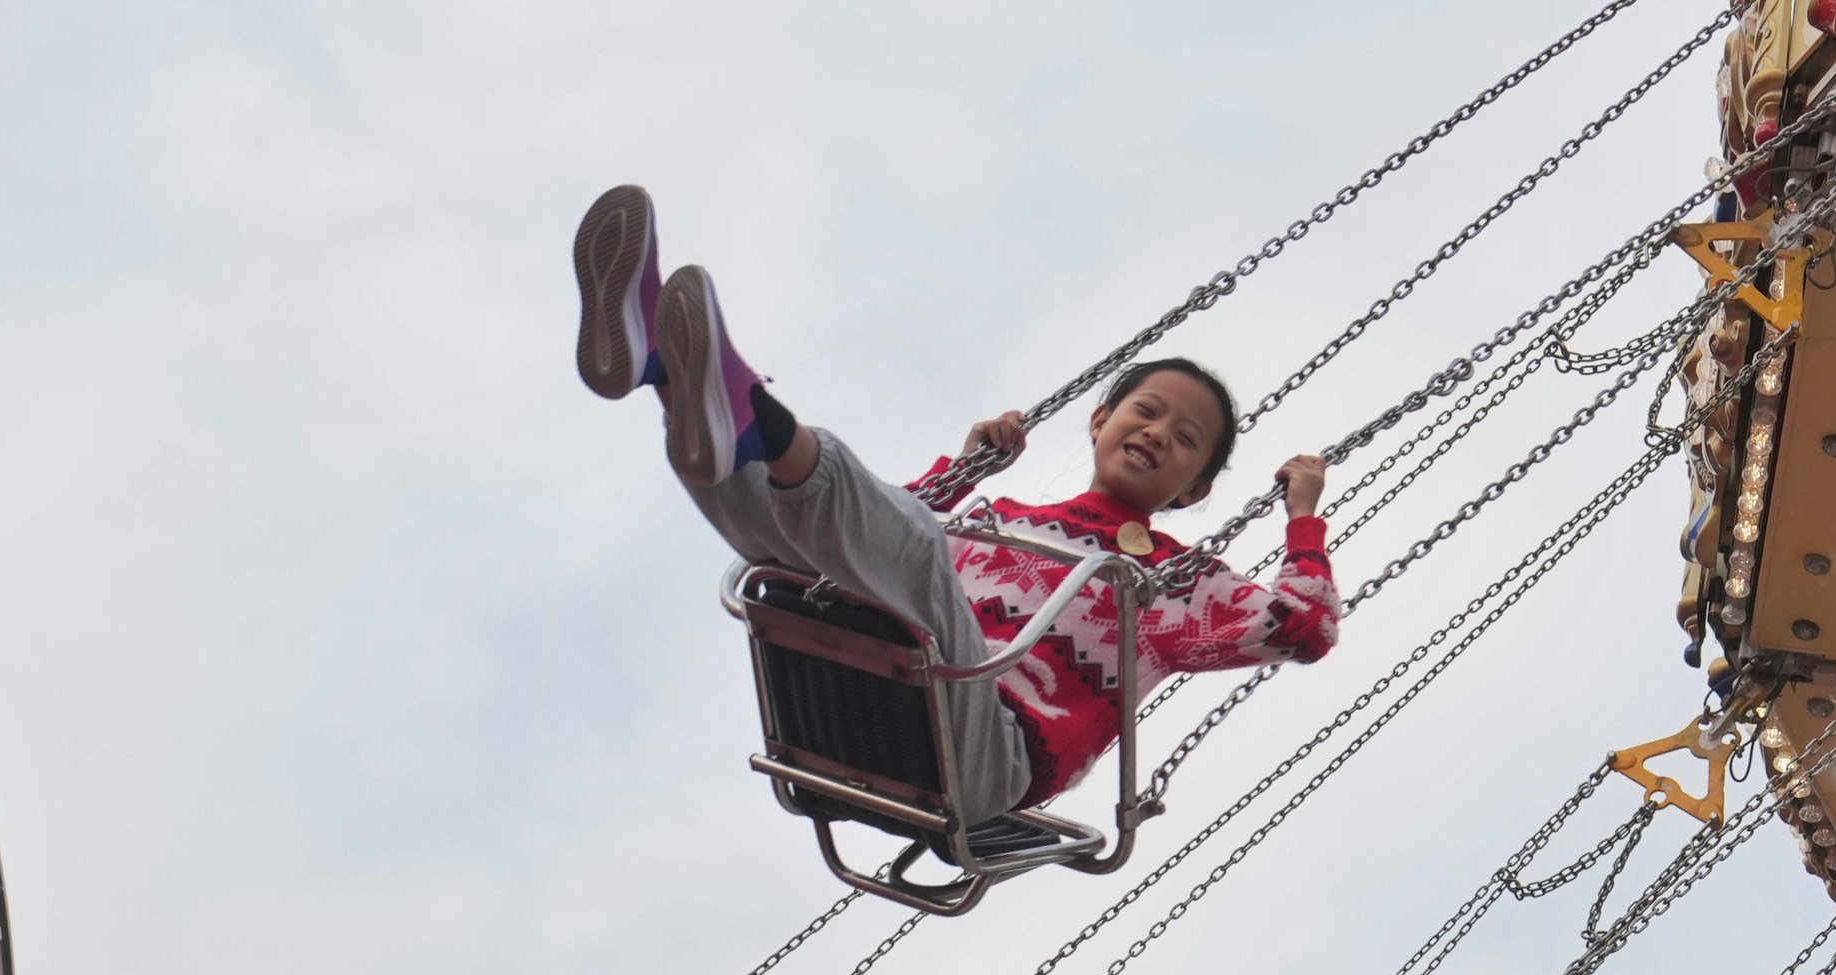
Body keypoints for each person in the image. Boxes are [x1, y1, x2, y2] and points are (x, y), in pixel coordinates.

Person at [572, 184, 1337, 838]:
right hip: (870, 688)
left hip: (988, 749)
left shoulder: (1173, 583)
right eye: (1146, 411)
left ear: (1195, 491)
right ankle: (662, 370)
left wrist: (1302, 518)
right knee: (788, 536)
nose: (1156, 433)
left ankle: (741, 407)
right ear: (1099, 420)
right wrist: (963, 470)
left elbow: (1303, 629)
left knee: (914, 551)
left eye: (1185, 440)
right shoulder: (999, 512)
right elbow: (862, 534)